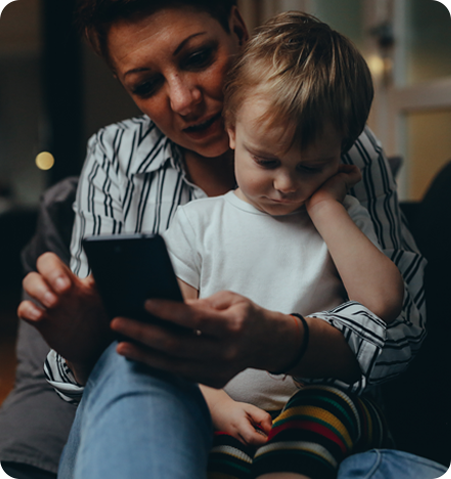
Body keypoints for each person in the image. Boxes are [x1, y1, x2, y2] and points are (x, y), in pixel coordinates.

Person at [11, 0, 431, 478]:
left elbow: (399, 325)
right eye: (146, 85)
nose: (183, 100)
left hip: (326, 417)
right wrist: (86, 346)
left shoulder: (334, 138)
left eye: (196, 58)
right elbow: (125, 351)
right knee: (139, 369)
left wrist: (283, 336)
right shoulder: (136, 173)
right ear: (236, 132)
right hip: (199, 408)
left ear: (236, 27)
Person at [161, 12, 402, 479]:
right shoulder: (196, 224)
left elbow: (383, 303)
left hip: (332, 405)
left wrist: (326, 208)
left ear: (342, 151)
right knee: (215, 459)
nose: (287, 185)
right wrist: (214, 404)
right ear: (232, 131)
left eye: (311, 167)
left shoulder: (340, 219)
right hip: (224, 409)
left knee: (313, 418)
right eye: (266, 160)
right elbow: (173, 339)